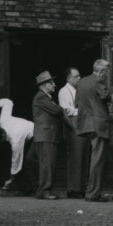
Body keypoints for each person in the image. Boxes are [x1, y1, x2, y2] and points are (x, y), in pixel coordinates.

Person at [76, 58, 112, 202]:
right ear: (101, 71)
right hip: (98, 124)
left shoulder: (82, 81)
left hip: (85, 124)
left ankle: (91, 191)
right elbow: (106, 97)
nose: (106, 74)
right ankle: (93, 193)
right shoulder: (98, 81)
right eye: (106, 72)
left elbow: (77, 102)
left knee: (92, 158)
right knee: (97, 160)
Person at [58, 66, 89, 199]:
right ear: (69, 78)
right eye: (76, 76)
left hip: (83, 122)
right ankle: (73, 188)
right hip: (73, 123)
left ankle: (82, 186)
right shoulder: (64, 91)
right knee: (75, 157)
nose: (79, 78)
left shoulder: (79, 90)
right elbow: (66, 110)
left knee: (84, 156)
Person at [32, 70, 63, 200]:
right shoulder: (41, 97)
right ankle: (44, 190)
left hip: (47, 134)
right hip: (46, 134)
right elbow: (56, 110)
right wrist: (63, 107)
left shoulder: (43, 97)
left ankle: (45, 189)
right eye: (51, 83)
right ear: (44, 85)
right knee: (47, 163)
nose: (54, 85)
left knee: (49, 163)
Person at [0, 98, 35, 193]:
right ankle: (27, 188)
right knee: (22, 162)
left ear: (3, 135)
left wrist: (10, 179)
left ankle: (32, 188)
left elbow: (16, 159)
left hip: (36, 134)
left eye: (2, 141)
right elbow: (8, 102)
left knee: (27, 161)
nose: (4, 142)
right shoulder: (3, 121)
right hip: (26, 133)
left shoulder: (14, 138)